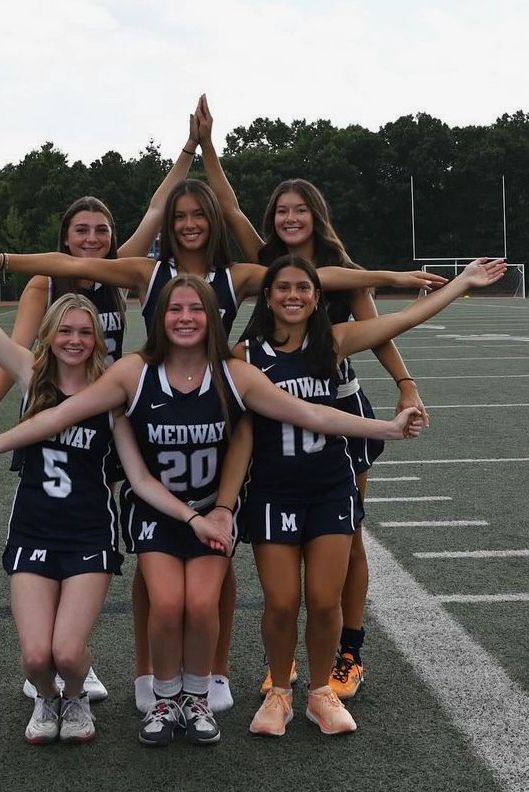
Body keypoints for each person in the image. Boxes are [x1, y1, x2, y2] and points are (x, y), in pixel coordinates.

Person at [0, 178, 445, 713]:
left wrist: (389, 275)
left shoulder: (237, 278)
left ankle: (217, 673)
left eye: (198, 214)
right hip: (155, 399)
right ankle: (148, 673)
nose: (188, 223)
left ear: (213, 222)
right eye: (179, 214)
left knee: (218, 552)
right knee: (151, 553)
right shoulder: (146, 272)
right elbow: (68, 265)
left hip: (219, 403)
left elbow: (317, 277)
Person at [0, 220, 232, 746]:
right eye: (65, 331)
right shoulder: (29, 376)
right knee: (37, 658)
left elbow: (141, 480)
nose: (75, 340)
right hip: (34, 528)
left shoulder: (113, 396)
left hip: (88, 532)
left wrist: (194, 517)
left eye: (85, 332)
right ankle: (47, 696)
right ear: (50, 335)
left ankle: (77, 692)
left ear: (97, 338)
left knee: (66, 653)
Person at [0, 126, 201, 704]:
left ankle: (77, 648)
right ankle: (59, 658)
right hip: (55, 411)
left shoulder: (122, 270)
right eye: (81, 230)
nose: (93, 238)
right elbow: (16, 351)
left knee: (102, 518)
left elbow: (160, 206)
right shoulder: (48, 279)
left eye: (102, 230)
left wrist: (190, 150)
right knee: (52, 514)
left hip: (112, 420)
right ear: (64, 236)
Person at [210, 253, 506, 737]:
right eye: (282, 288)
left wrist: (462, 283)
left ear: (316, 297)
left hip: (330, 488)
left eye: (303, 288)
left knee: (326, 602)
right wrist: (225, 502)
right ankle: (280, 690)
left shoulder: (335, 342)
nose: (293, 296)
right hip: (273, 493)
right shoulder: (244, 355)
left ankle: (320, 691)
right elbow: (240, 432)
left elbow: (403, 319)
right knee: (282, 602)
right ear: (267, 297)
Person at [195, 92, 430, 698]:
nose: (288, 219)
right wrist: (207, 147)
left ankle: (349, 650)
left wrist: (404, 383)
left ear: (315, 216)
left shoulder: (337, 265)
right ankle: (286, 662)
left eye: (299, 211)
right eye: (282, 212)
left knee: (345, 536)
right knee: (278, 524)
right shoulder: (266, 261)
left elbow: (376, 331)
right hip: (272, 407)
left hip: (342, 410)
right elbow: (228, 204)